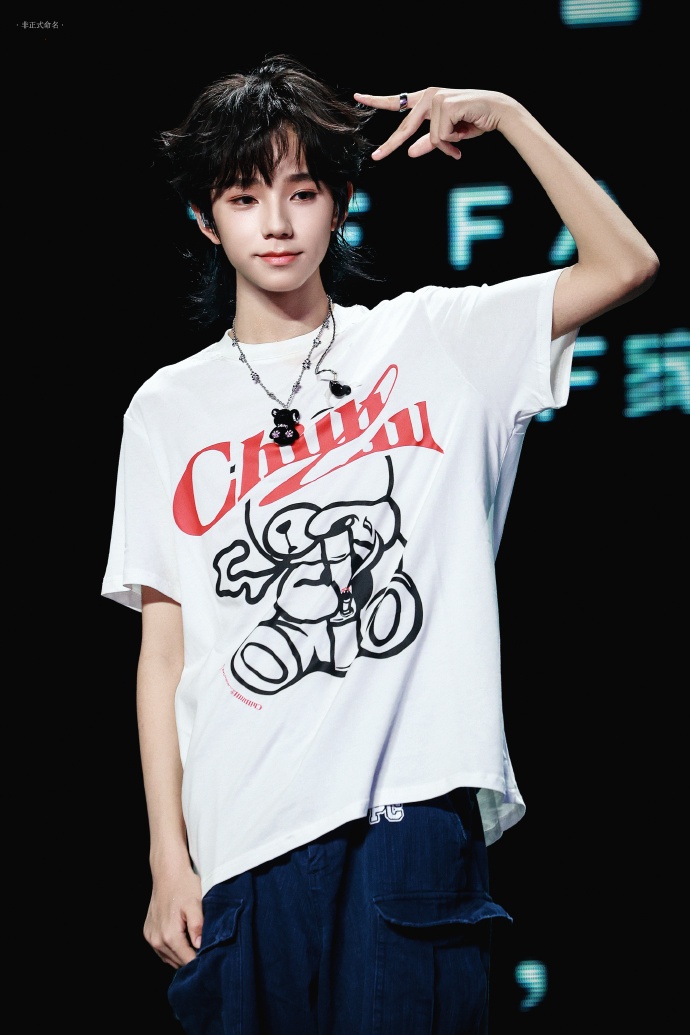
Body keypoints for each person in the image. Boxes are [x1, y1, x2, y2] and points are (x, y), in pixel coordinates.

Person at [102, 54, 658, 1034]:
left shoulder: (434, 339)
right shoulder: (166, 409)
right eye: (243, 197)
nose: (276, 222)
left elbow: (626, 265)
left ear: (340, 203)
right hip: (242, 840)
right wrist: (166, 855)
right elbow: (165, 652)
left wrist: (509, 113)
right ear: (205, 218)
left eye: (302, 191)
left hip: (407, 819)